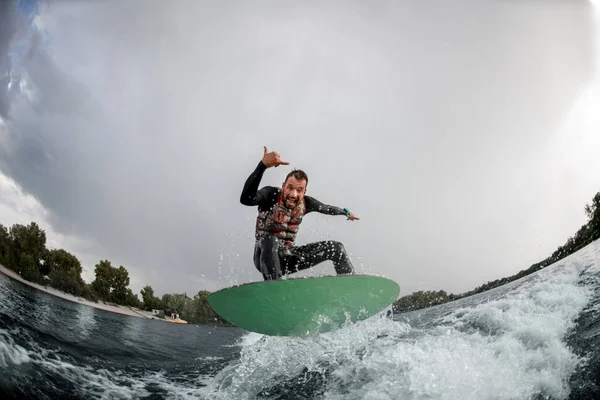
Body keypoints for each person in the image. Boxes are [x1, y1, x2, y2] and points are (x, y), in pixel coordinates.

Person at [240, 146, 360, 281]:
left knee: (336, 247)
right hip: (264, 256)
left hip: (288, 257)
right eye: (290, 188)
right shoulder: (271, 195)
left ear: (304, 192)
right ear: (283, 185)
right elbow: (246, 199)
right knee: (270, 239)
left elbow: (326, 208)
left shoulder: (307, 203)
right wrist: (262, 166)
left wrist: (346, 212)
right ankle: (273, 288)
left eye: (299, 190)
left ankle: (350, 285)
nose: (293, 194)